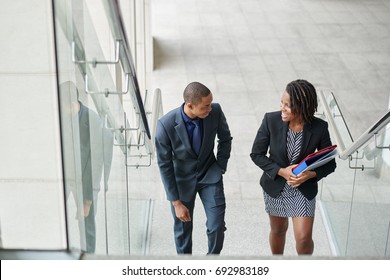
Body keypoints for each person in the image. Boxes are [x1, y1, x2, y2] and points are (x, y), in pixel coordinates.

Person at [250, 79, 336, 255]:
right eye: (282, 102)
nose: (282, 107)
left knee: (304, 238)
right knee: (278, 230)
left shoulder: (320, 127)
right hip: (276, 186)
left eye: (287, 105)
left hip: (303, 189)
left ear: (302, 107)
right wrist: (282, 171)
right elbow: (256, 154)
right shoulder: (270, 120)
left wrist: (310, 175)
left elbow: (330, 164)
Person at [155, 81, 232, 254]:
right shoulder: (165, 127)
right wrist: (176, 203)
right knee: (183, 232)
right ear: (190, 105)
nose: (210, 109)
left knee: (217, 226)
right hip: (181, 182)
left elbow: (225, 139)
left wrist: (220, 166)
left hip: (210, 175)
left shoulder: (215, 111)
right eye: (205, 106)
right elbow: (164, 166)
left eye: (210, 104)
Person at [60, 81, 113, 253]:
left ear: (73, 104)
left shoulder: (92, 121)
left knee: (87, 224)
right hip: (64, 178)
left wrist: (87, 199)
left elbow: (96, 163)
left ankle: (88, 259)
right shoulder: (60, 118)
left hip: (85, 180)